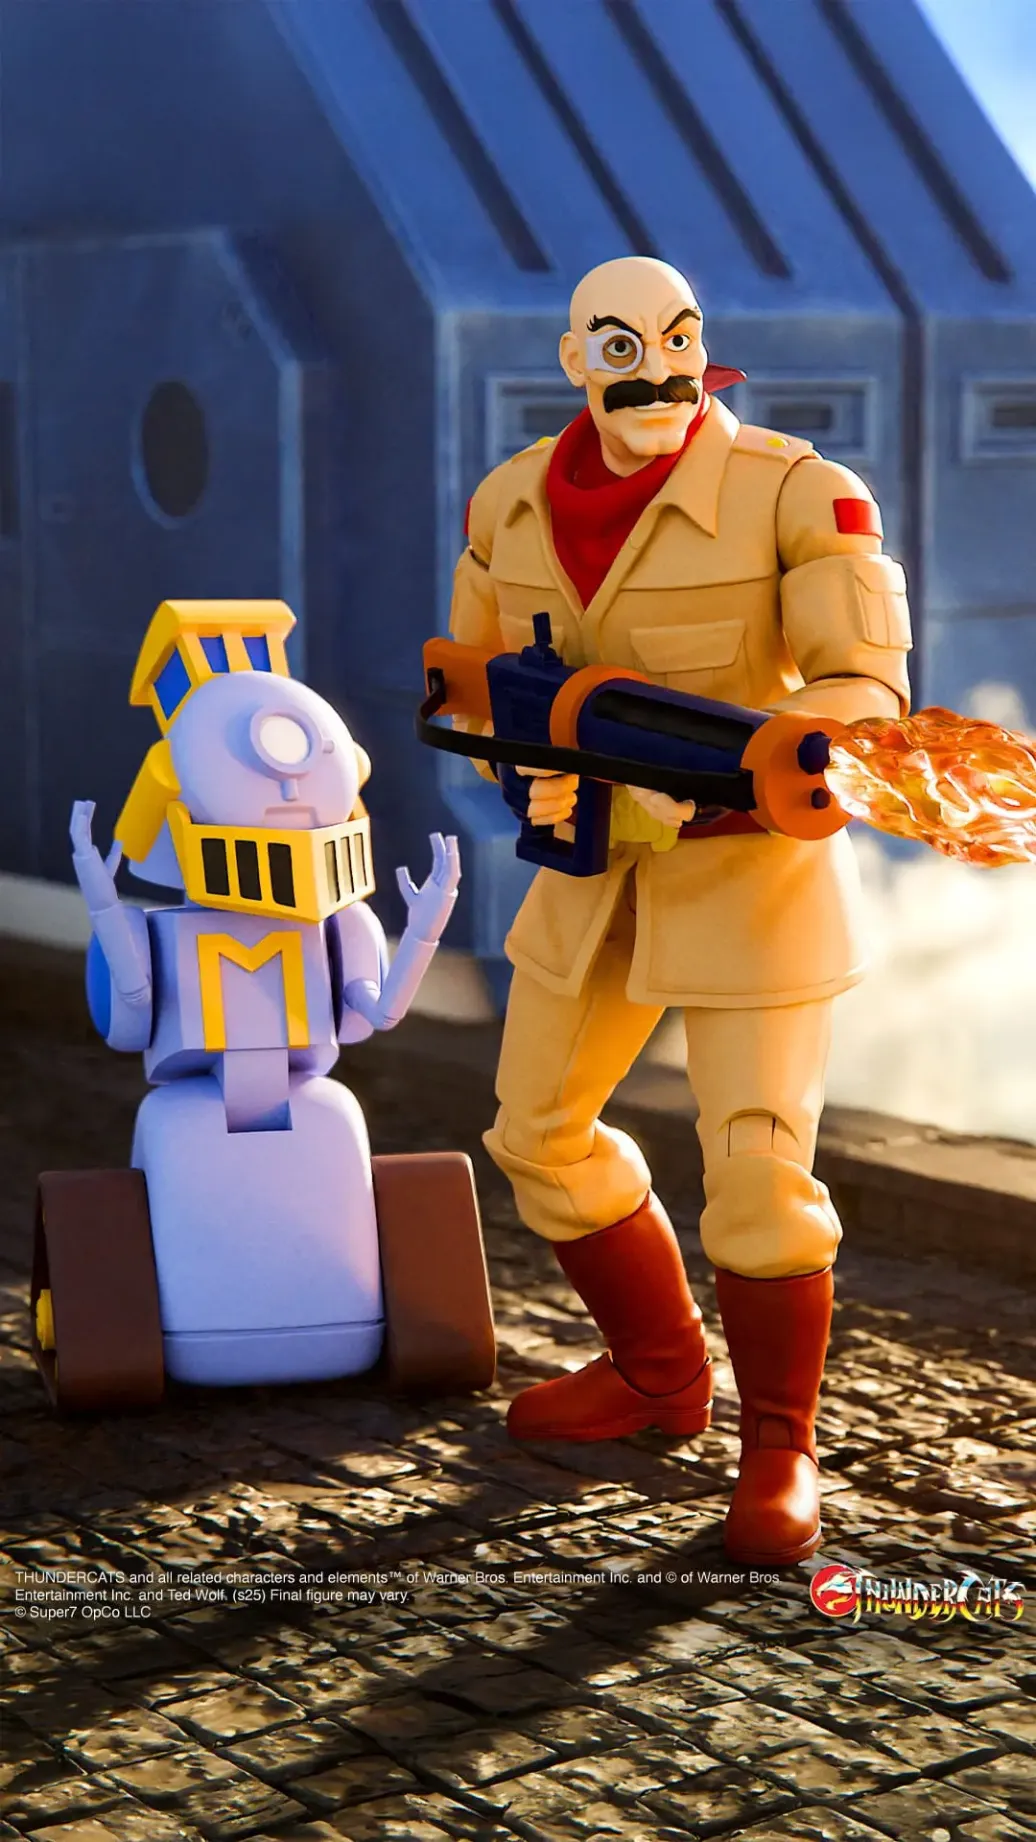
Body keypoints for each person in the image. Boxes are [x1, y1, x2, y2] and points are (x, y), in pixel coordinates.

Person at [448, 256, 912, 1565]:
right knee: (538, 1135)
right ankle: (659, 1373)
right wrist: (523, 771)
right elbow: (475, 687)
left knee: (759, 1176)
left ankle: (780, 1448)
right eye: (622, 347)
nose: (656, 373)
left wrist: (760, 758)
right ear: (575, 359)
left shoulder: (797, 489)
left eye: (679, 341)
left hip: (748, 878)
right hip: (592, 872)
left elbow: (866, 686)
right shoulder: (510, 504)